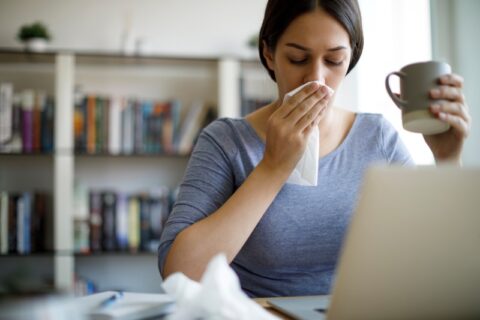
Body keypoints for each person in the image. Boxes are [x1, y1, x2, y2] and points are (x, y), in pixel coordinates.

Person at [158, 0, 471, 298]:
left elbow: (435, 261)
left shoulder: (378, 139)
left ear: (352, 56)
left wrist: (447, 159)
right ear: (269, 54)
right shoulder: (226, 141)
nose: (316, 79)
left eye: (334, 60)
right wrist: (272, 169)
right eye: (297, 59)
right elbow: (179, 274)